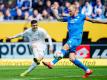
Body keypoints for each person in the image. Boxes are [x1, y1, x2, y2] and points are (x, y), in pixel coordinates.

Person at [42, 4, 107, 78]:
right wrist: (54, 11)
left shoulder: (81, 16)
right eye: (68, 11)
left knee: (65, 47)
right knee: (72, 58)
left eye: (70, 11)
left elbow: (93, 21)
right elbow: (58, 19)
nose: (69, 12)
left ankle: (51, 63)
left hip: (76, 39)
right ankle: (88, 70)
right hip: (71, 39)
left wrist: (104, 22)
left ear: (75, 10)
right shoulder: (69, 18)